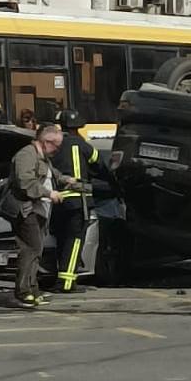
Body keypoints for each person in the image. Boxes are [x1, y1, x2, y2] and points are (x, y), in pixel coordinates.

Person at [0, 125, 64, 308]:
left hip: (39, 211)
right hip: (26, 210)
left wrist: (68, 180)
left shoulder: (42, 157)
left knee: (37, 250)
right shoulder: (26, 156)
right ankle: (23, 292)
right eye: (56, 146)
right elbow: (25, 182)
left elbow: (53, 175)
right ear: (45, 142)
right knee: (30, 249)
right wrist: (49, 194)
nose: (57, 151)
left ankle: (33, 289)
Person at [50, 108, 113, 293]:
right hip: (78, 201)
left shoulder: (54, 146)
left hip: (57, 201)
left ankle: (61, 278)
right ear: (79, 126)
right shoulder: (83, 145)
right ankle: (67, 283)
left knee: (62, 239)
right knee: (75, 240)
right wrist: (113, 181)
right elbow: (100, 166)